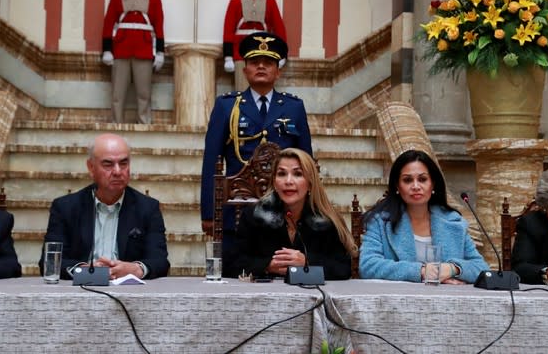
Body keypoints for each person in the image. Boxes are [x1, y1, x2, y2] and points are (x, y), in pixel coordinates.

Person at [200, 31, 312, 238]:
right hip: (237, 208)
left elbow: (306, 163)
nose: (261, 66)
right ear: (245, 70)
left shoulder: (293, 107)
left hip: (284, 206)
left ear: (278, 72)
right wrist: (209, 212)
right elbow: (211, 162)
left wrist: (308, 209)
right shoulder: (227, 106)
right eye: (254, 61)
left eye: (268, 62)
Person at [41, 133, 170, 280]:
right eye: (108, 164)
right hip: (82, 290)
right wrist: (85, 271)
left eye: (123, 163)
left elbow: (160, 261)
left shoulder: (147, 208)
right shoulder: (65, 208)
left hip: (130, 293)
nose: (117, 171)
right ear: (91, 167)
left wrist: (136, 269)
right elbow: (49, 262)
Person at [359, 150, 488, 283]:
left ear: (433, 184)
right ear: (397, 186)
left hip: (445, 300)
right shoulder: (380, 221)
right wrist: (421, 272)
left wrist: (452, 269)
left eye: (422, 179)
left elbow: (481, 268)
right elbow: (368, 265)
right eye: (407, 180)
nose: (416, 186)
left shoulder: (454, 222)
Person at [226, 148, 355, 279]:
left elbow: (343, 268)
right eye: (281, 174)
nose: (288, 181)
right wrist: (267, 265)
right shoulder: (253, 216)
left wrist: (307, 261)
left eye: (297, 174)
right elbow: (231, 264)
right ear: (274, 182)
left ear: (310, 183)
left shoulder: (326, 219)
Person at [101, 0, 165, 124]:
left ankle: (144, 124)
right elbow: (108, 23)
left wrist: (160, 52)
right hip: (121, 50)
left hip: (144, 50)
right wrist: (107, 49)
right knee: (117, 93)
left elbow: (158, 25)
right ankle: (116, 123)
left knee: (144, 93)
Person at [222, 0, 287, 90]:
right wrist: (228, 56)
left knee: (263, 89)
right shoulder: (235, 1)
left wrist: (282, 54)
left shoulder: (271, 2)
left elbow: (279, 28)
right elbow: (228, 28)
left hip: (265, 50)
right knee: (242, 90)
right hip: (241, 53)